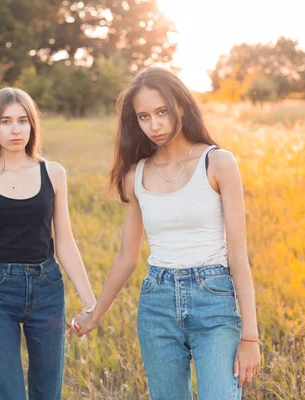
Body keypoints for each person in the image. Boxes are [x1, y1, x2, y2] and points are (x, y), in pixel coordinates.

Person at [69, 66, 261, 399]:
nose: (154, 125)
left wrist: (250, 337)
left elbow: (237, 255)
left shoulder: (218, 163)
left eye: (162, 112)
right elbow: (127, 257)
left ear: (181, 108)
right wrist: (96, 314)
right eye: (143, 117)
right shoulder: (136, 175)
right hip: (157, 305)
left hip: (214, 302)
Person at [0, 87, 96, 400]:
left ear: (32, 124)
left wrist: (90, 303)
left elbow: (65, 241)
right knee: (7, 391)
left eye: (22, 120)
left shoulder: (53, 173)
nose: (15, 129)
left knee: (47, 390)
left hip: (47, 289)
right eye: (6, 121)